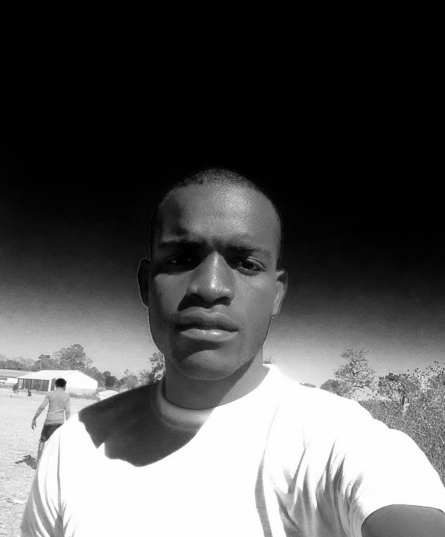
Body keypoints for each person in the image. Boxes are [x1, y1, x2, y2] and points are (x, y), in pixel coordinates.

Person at [21, 167, 445, 536]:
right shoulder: (71, 450)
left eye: (246, 264)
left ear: (276, 294)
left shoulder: (342, 442)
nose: (210, 287)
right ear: (146, 284)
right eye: (181, 257)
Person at [30, 377, 71, 464]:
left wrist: (34, 418)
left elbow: (42, 407)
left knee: (42, 441)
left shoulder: (50, 394)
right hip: (60, 422)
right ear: (64, 386)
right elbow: (67, 411)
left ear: (55, 385)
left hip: (49, 421)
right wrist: (68, 425)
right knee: (57, 443)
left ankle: (38, 463)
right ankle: (55, 464)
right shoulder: (66, 396)